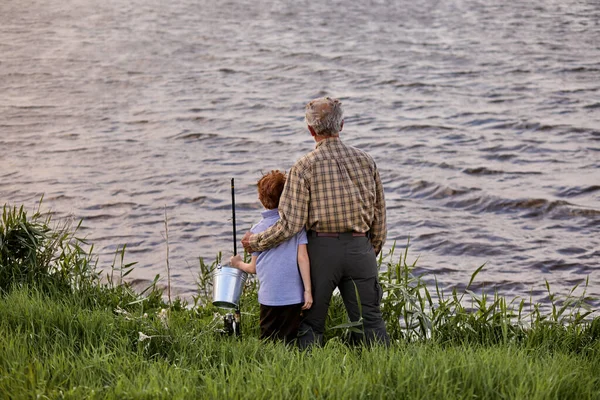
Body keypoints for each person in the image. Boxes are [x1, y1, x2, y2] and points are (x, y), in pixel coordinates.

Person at [242, 97, 390, 348]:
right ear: (341, 125)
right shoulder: (366, 160)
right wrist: (370, 248)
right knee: (370, 323)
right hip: (360, 248)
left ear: (311, 130)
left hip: (321, 251)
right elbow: (380, 215)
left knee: (310, 322)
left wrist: (255, 242)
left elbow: (290, 224)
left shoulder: (303, 167)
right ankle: (382, 373)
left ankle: (310, 374)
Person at [230, 170, 313, 344]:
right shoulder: (296, 226)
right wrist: (307, 291)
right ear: (287, 196)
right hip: (294, 296)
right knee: (290, 340)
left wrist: (238, 264)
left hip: (269, 297)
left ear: (260, 198)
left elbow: (252, 268)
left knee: (268, 340)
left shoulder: (256, 231)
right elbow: (303, 258)